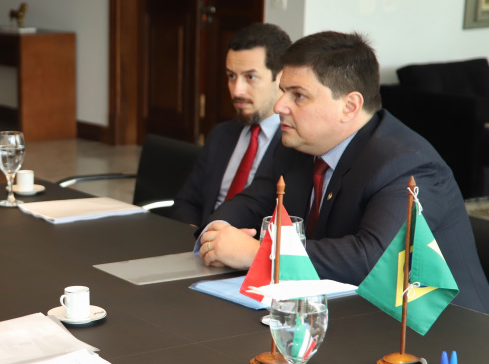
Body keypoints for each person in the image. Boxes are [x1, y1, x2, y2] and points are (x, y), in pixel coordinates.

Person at [197, 31, 489, 313]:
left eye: (298, 96)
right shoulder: (295, 144)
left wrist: (259, 253)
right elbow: (253, 202)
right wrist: (216, 236)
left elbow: (370, 259)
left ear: (350, 106)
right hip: (345, 314)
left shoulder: (406, 164)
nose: (279, 106)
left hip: (442, 335)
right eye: (283, 91)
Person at [170, 23, 291, 226]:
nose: (237, 91)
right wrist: (196, 237)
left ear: (280, 76)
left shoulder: (295, 145)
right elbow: (186, 203)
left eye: (250, 77)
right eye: (231, 76)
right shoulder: (221, 134)